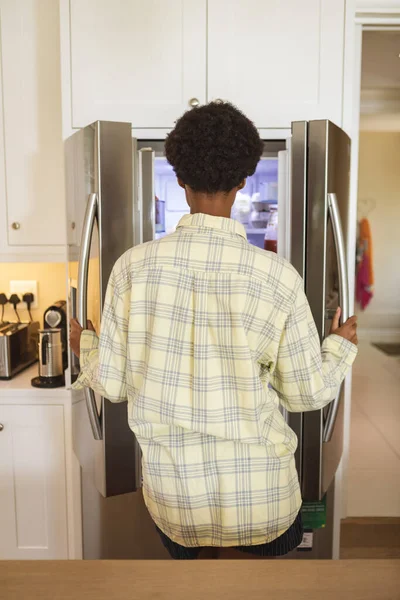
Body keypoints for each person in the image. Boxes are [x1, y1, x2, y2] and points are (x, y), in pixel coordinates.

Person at [70, 101, 358, 560]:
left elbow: (114, 383)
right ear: (243, 180)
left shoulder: (132, 268)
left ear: (180, 179)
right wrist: (339, 347)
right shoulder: (278, 276)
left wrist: (84, 343)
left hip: (175, 503)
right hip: (265, 500)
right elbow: (306, 394)